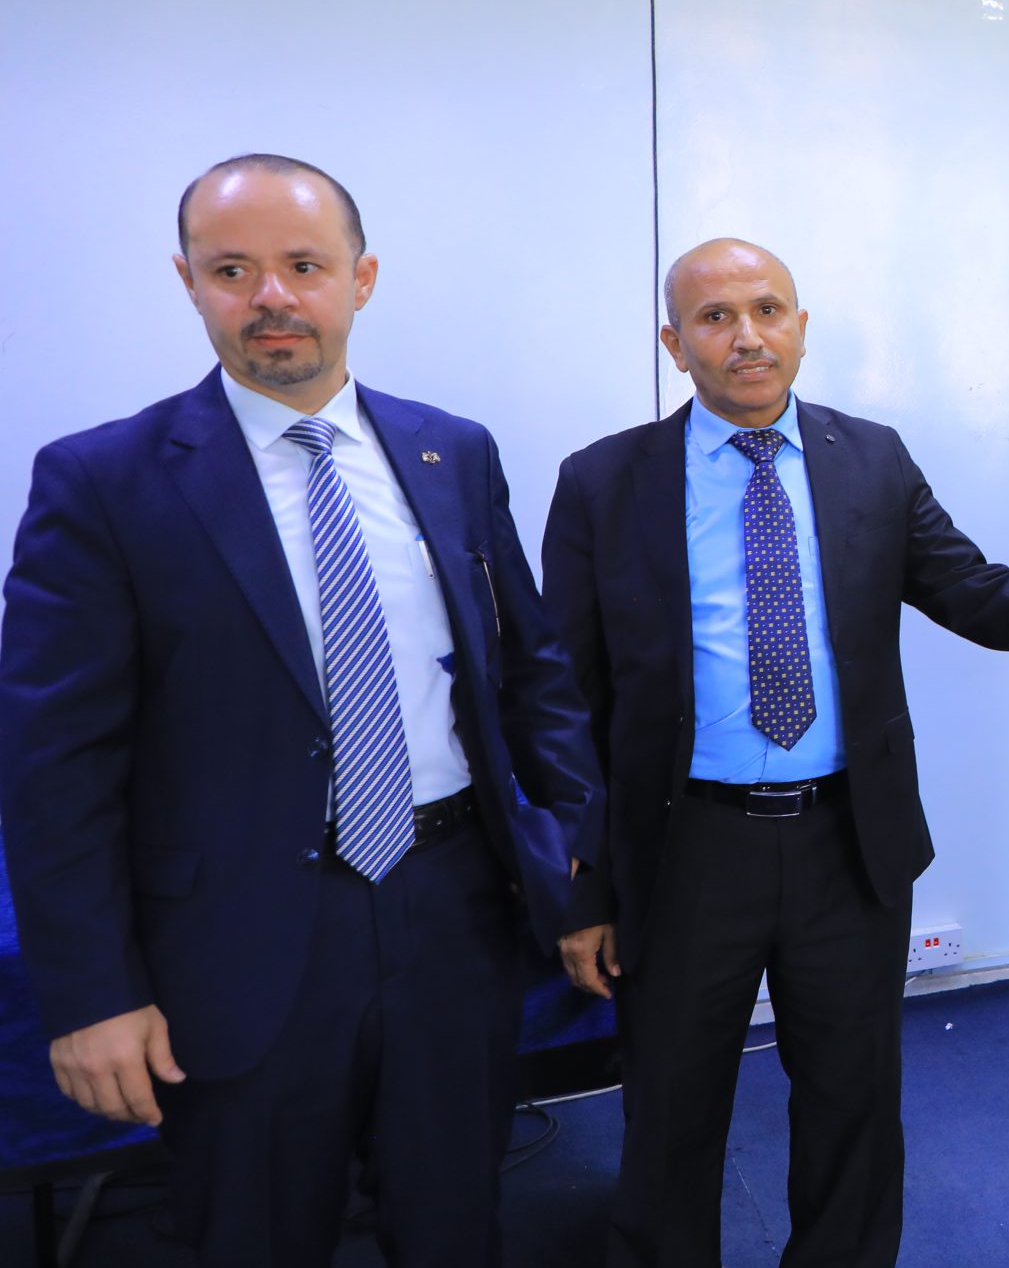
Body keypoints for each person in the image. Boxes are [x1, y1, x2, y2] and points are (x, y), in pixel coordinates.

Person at [541, 237, 1009, 1268]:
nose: (747, 336)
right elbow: (568, 696)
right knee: (669, 1114)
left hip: (847, 844)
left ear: (802, 327)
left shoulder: (871, 460)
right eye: (715, 317)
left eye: (768, 309)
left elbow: (978, 594)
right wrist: (583, 888)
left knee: (852, 1106)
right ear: (674, 343)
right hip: (681, 851)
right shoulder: (604, 481)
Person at [0, 154, 606, 1265]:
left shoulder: (452, 450)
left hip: (452, 909)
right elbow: (55, 769)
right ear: (188, 281)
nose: (271, 296)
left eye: (304, 266)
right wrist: (90, 996)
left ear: (360, 279)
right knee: (258, 1233)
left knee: (454, 1222)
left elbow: (532, 671)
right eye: (232, 269)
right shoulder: (104, 482)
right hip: (237, 941)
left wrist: (573, 850)